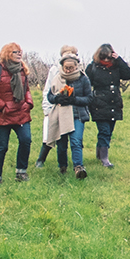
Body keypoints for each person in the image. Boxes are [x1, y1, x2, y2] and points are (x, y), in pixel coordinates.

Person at [0, 42, 34, 184]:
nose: (19, 54)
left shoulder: (22, 69)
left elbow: (26, 89)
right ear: (7, 54)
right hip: (2, 115)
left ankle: (21, 172)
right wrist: (2, 106)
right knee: (2, 146)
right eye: (16, 52)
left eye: (20, 52)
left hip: (21, 112)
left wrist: (28, 103)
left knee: (26, 140)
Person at [37, 46, 94, 177]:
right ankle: (62, 167)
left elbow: (89, 98)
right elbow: (49, 96)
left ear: (76, 66)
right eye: (66, 68)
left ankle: (78, 167)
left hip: (78, 114)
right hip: (60, 116)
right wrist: (57, 98)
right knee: (61, 143)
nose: (68, 70)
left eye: (71, 68)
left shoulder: (83, 79)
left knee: (76, 141)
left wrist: (74, 99)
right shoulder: (57, 78)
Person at [85, 43, 130, 168]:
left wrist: (119, 60)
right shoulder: (93, 68)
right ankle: (104, 158)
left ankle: (99, 153)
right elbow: (86, 83)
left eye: (109, 57)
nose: (106, 60)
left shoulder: (116, 66)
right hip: (99, 103)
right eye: (104, 57)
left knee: (109, 131)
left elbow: (128, 75)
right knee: (104, 131)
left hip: (114, 102)